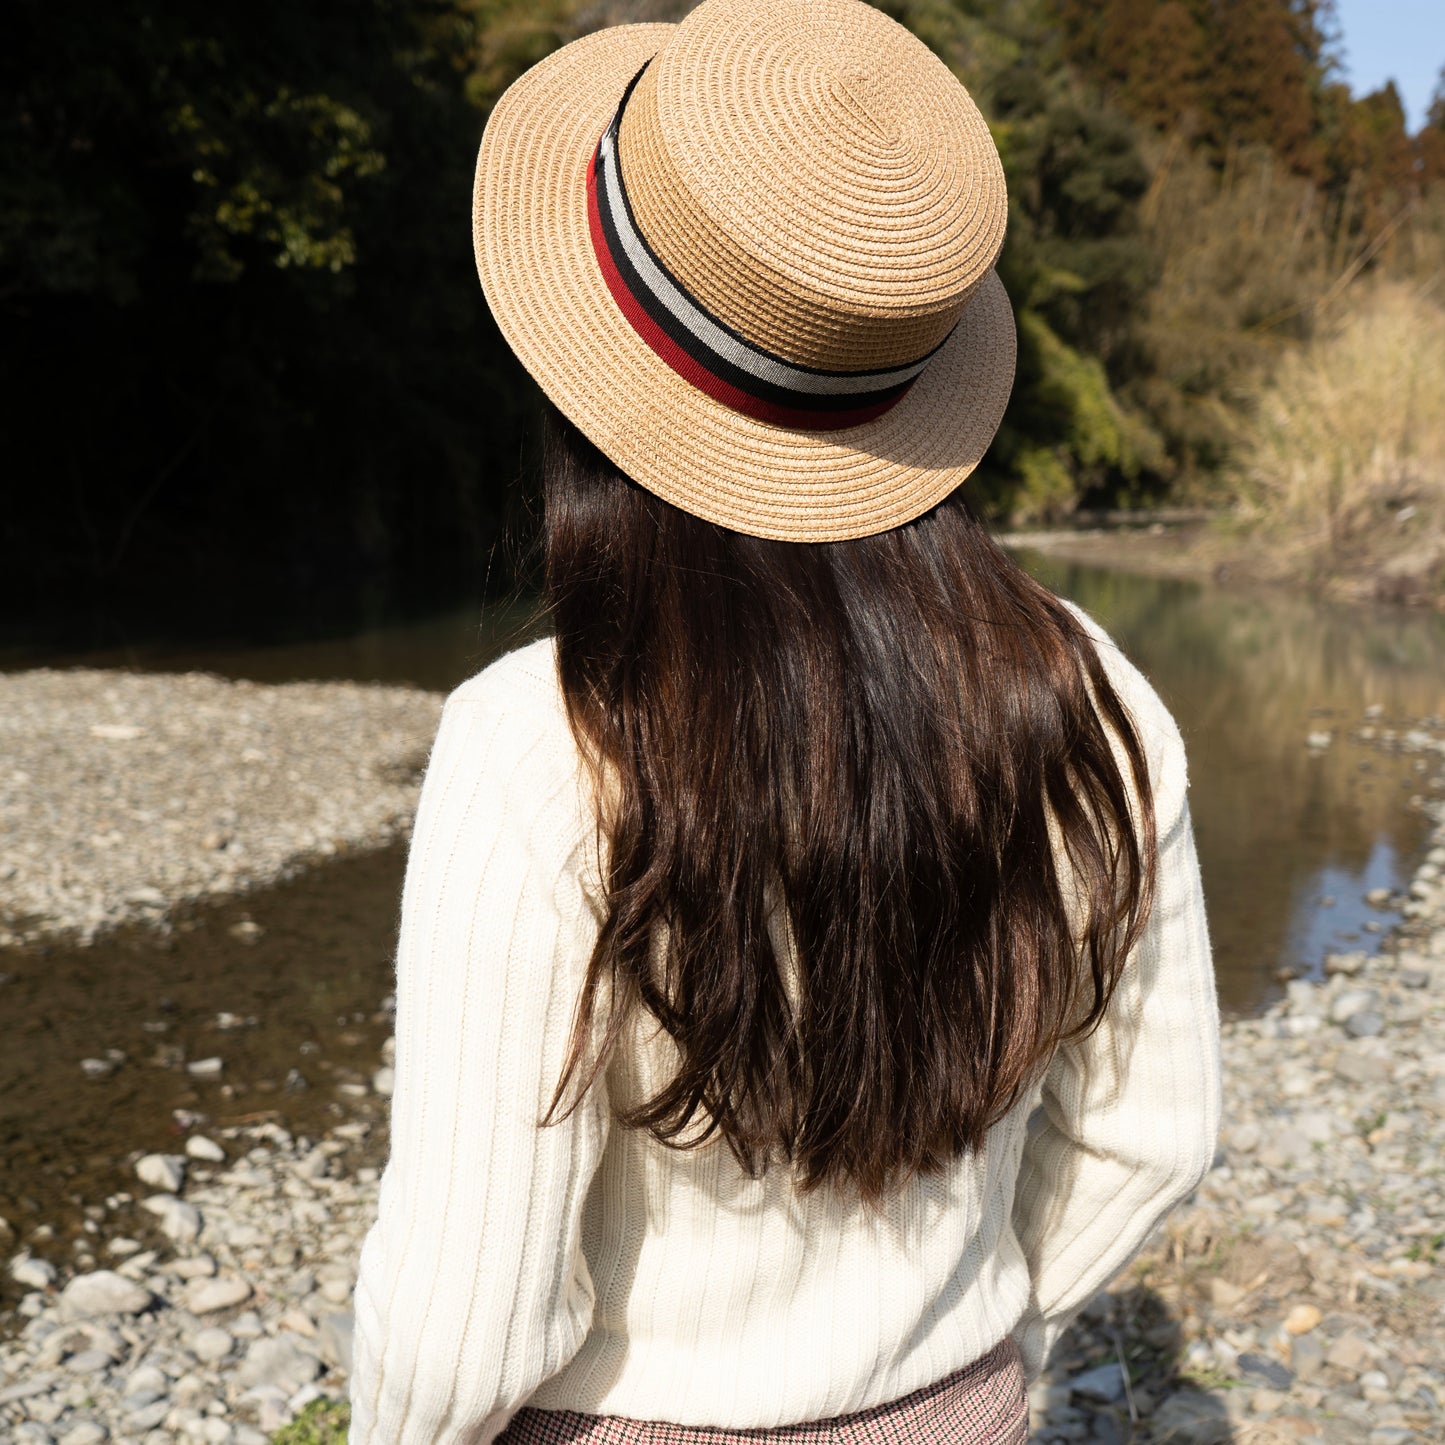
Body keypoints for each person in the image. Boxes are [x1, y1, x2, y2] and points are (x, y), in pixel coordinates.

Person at [346, 0, 1222, 1440]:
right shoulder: (1091, 698)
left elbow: (465, 1318)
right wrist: (956, 1344)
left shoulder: (539, 744)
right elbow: (1154, 1136)